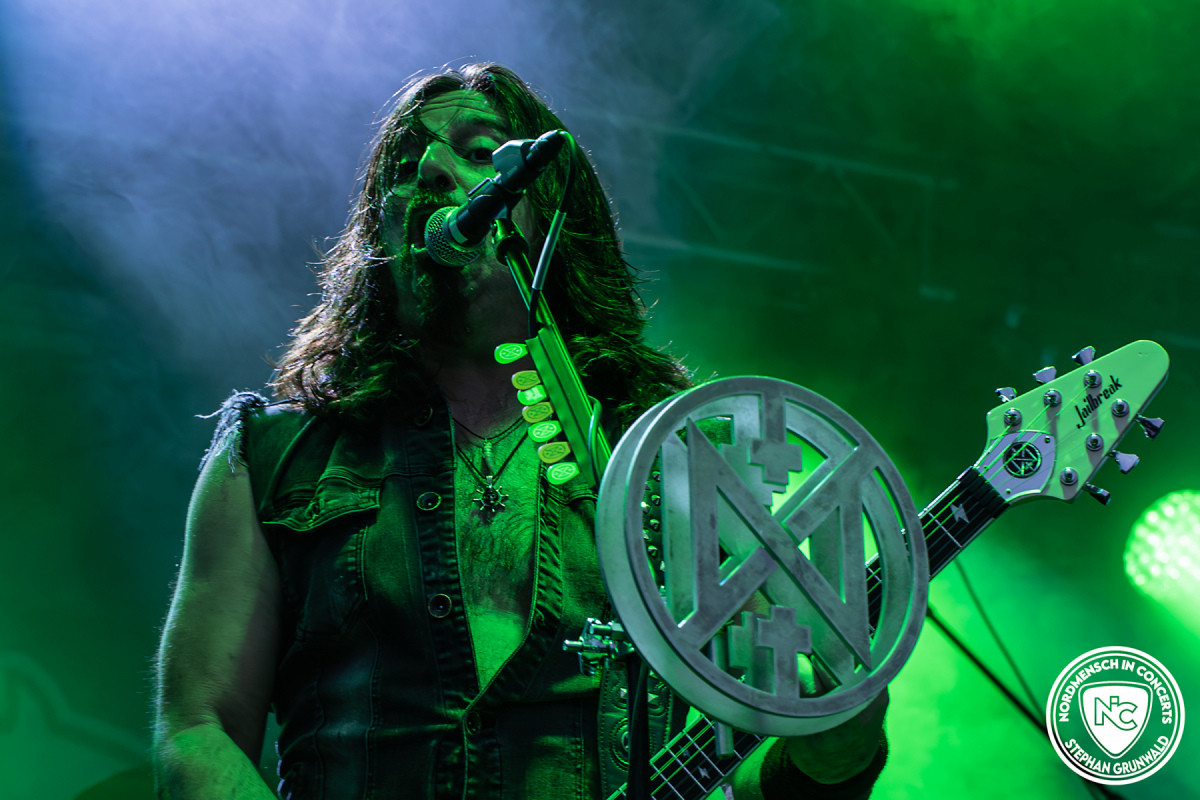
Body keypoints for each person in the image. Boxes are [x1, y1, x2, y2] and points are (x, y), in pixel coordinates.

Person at [152, 62, 888, 800]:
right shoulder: (271, 459)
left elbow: (749, 753)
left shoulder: (669, 457)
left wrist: (831, 756)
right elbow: (197, 728)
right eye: (403, 169)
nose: (432, 171)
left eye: (481, 152)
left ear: (548, 214)